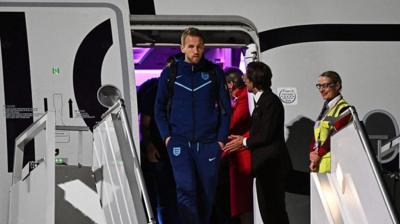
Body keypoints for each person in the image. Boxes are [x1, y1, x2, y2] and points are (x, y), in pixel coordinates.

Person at [154, 27, 231, 224]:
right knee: (186, 190)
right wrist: (167, 138)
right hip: (179, 143)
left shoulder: (214, 73)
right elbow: (159, 109)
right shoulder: (170, 74)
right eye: (190, 46)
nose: (195, 51)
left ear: (204, 47)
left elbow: (225, 110)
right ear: (182, 48)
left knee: (206, 194)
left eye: (199, 47)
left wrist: (220, 141)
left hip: (209, 145)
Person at [223, 61, 292, 224]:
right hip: (264, 166)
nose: (244, 79)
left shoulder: (270, 101)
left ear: (255, 80)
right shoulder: (261, 101)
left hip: (271, 166)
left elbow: (266, 134)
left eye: (247, 76)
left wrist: (244, 141)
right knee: (268, 211)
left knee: (274, 212)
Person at [137, 78, 180, 224]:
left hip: (172, 151)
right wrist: (149, 145)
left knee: (170, 197)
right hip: (159, 152)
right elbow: (145, 122)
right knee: (161, 197)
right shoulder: (154, 90)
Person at [224, 67, 253, 224]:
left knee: (244, 204)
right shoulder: (240, 99)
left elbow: (231, 124)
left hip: (243, 159)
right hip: (238, 157)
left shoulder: (243, 100)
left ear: (230, 84)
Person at [309, 71, 351, 173]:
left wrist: (318, 155)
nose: (322, 90)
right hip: (320, 164)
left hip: (335, 166)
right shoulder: (327, 108)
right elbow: (318, 134)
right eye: (319, 86)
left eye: (326, 85)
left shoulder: (344, 109)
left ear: (337, 86)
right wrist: (312, 152)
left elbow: (334, 137)